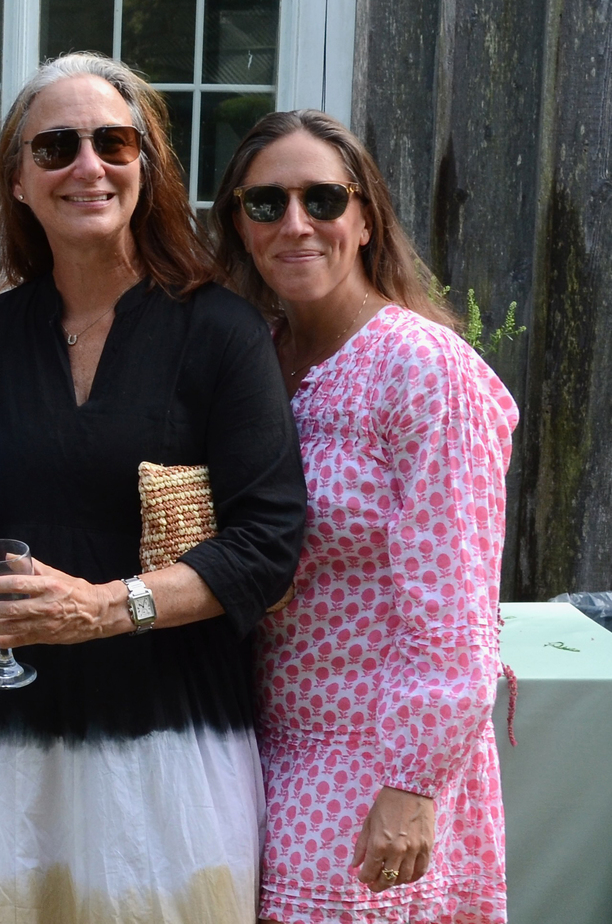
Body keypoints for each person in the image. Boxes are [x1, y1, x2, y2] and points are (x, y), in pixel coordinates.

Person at [0, 52, 307, 921]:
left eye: (114, 142)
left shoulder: (219, 330)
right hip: (12, 755)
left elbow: (267, 546)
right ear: (20, 180)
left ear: (147, 167)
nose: (88, 166)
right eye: (57, 147)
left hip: (173, 748)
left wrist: (108, 608)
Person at [210, 109, 515, 924]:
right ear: (239, 223)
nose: (296, 223)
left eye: (324, 199)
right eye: (266, 203)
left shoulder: (422, 367)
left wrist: (413, 783)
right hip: (260, 747)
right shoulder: (255, 355)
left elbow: (455, 606)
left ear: (366, 216)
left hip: (373, 761)